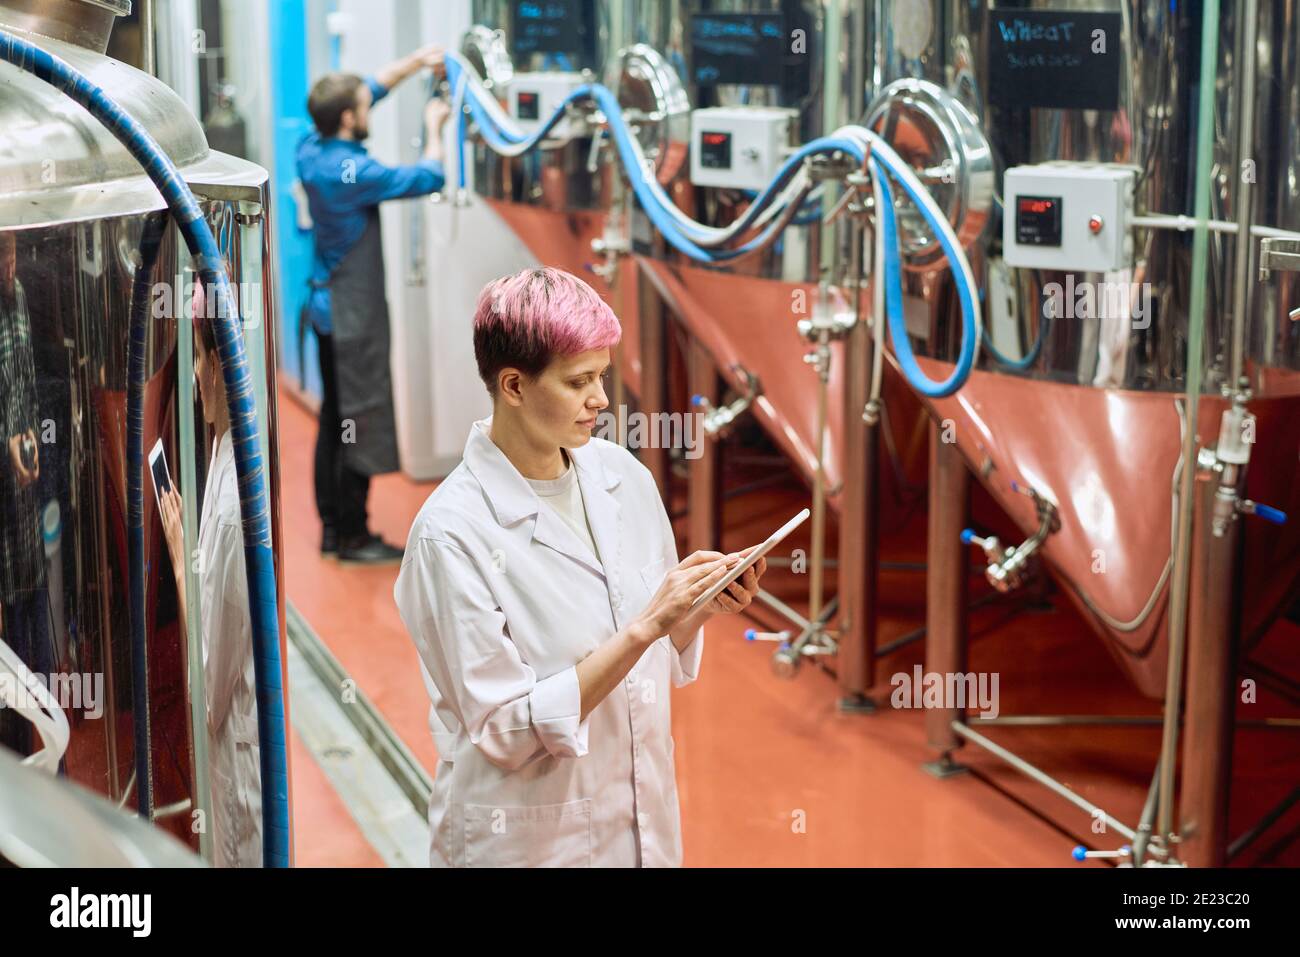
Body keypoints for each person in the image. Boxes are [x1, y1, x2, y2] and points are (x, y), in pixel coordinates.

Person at [394, 268, 767, 867]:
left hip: (639, 823)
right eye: (578, 382)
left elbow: (656, 647)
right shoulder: (451, 534)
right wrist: (644, 628)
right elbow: (506, 730)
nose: (601, 399)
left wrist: (694, 607)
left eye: (601, 376)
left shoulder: (623, 477)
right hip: (529, 841)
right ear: (513, 386)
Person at [298, 46, 452, 564]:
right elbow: (428, 177)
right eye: (365, 106)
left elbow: (371, 88)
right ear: (348, 118)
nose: (372, 107)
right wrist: (435, 126)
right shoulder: (353, 172)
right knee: (355, 420)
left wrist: (416, 61)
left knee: (335, 418)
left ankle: (332, 529)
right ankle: (352, 535)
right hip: (352, 317)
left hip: (327, 311)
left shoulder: (310, 148)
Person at [159, 280, 260, 867]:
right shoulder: (231, 447)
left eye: (198, 358)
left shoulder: (228, 512)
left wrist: (180, 562)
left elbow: (208, 689)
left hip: (241, 772)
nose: (195, 376)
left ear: (220, 366)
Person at [0, 230, 48, 758]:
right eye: (2, 252)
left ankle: (45, 743)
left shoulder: (18, 299)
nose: (10, 262)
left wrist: (31, 432)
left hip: (24, 503)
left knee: (34, 617)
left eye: (13, 249)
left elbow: (28, 381)